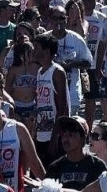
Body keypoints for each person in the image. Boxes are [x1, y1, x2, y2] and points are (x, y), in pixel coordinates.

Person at [33, 33, 70, 166]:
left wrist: (55, 137)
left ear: (47, 51)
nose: (33, 50)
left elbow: (63, 107)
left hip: (54, 135)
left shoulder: (57, 72)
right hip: (41, 132)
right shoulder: (40, 72)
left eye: (36, 47)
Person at [45, 116, 106, 189]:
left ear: (83, 138)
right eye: (63, 134)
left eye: (71, 134)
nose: (66, 139)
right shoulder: (55, 167)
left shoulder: (97, 166)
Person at [4, 41, 38, 130]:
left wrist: (35, 110)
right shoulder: (13, 69)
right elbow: (6, 90)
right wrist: (13, 111)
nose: (33, 55)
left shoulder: (37, 68)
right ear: (21, 55)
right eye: (30, 52)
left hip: (32, 106)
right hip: (17, 106)